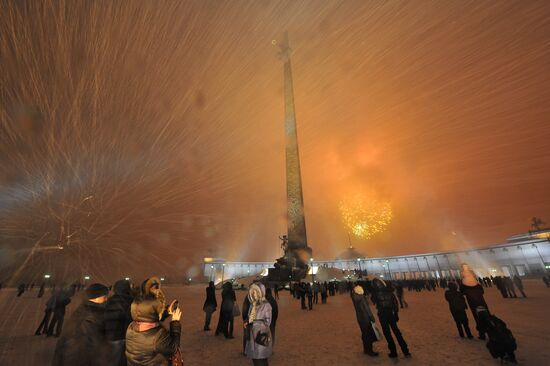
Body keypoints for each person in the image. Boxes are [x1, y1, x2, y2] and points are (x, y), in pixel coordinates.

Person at [125, 277, 181, 366]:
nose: (157, 290)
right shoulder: (157, 336)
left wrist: (166, 311)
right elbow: (173, 348)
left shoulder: (131, 326)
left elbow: (147, 315)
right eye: (154, 288)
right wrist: (175, 323)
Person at [52, 283, 109, 366]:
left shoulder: (86, 310)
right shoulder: (88, 318)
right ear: (96, 297)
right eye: (104, 297)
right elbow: (78, 350)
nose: (106, 299)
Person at [371, 278, 410, 358]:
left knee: (387, 333)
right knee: (396, 331)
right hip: (390, 313)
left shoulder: (376, 292)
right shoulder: (389, 291)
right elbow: (395, 303)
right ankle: (405, 351)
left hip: (382, 314)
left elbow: (373, 300)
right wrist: (396, 314)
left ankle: (393, 352)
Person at [105, 279, 134, 366]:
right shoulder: (131, 301)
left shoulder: (109, 301)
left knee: (112, 360)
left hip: (110, 336)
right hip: (125, 336)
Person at [244, 283, 272, 366]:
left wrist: (257, 323)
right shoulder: (253, 304)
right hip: (252, 334)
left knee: (261, 359)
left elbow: (268, 322)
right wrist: (248, 322)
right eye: (252, 292)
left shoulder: (266, 305)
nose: (254, 294)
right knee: (255, 358)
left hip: (261, 335)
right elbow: (250, 317)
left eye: (256, 291)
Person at [460, 263, 489, 339]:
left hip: (474, 304)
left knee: (478, 318)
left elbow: (462, 292)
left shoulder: (465, 286)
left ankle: (482, 334)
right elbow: (482, 291)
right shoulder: (478, 286)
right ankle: (491, 331)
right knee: (487, 316)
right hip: (482, 303)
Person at [351, 285, 379, 357]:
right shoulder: (362, 298)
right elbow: (367, 309)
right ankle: (370, 350)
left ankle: (366, 349)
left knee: (364, 334)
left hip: (360, 318)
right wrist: (371, 317)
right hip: (366, 318)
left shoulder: (355, 297)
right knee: (368, 334)